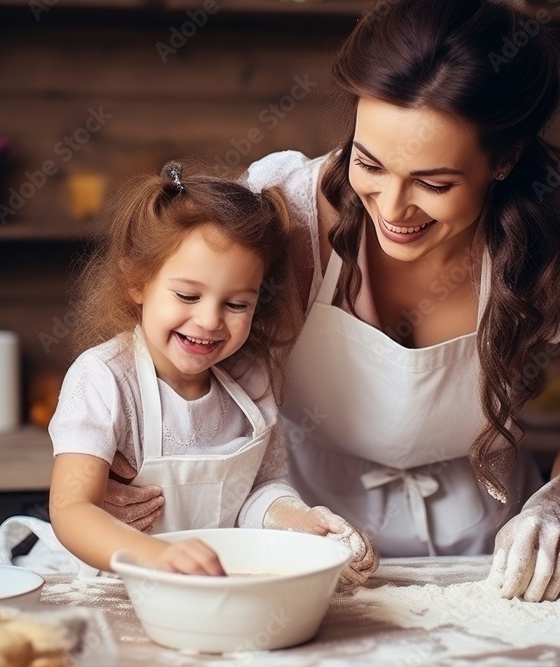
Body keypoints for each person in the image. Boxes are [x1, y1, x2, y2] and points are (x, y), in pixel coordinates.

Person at [108, 0, 560, 602]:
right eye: (369, 163)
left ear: (506, 159)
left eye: (434, 183)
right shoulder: (289, 218)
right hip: (305, 534)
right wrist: (118, 457)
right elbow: (177, 349)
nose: (390, 209)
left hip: (486, 543)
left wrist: (553, 509)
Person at [43, 162, 379, 585]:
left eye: (237, 304)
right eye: (187, 295)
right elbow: (73, 509)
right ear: (137, 281)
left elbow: (257, 493)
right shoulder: (103, 379)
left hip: (213, 589)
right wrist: (155, 556)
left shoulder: (252, 378)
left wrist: (304, 524)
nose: (208, 320)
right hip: (112, 591)